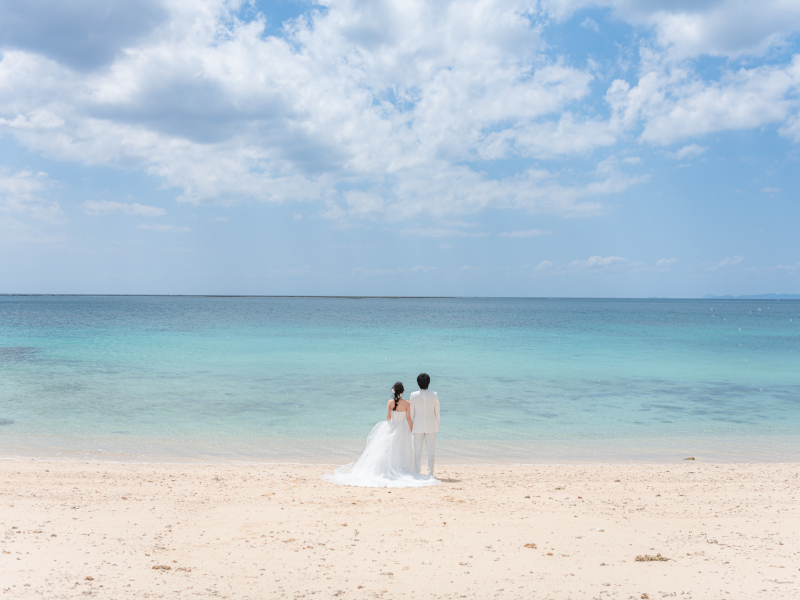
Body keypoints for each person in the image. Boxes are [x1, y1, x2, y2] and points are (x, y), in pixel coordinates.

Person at [323, 382, 439, 488]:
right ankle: (407, 469)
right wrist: (412, 429)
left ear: (393, 391)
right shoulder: (407, 403)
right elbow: (408, 418)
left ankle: (385, 469)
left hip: (391, 426)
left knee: (386, 450)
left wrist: (390, 426)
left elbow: (388, 417)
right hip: (402, 428)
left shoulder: (390, 402)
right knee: (402, 450)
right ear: (403, 391)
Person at [409, 372, 440, 478]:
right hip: (431, 426)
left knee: (417, 451)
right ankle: (431, 473)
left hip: (417, 426)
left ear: (418, 383)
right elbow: (437, 412)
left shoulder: (413, 395)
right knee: (431, 450)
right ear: (429, 382)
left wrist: (411, 425)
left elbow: (411, 413)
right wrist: (438, 424)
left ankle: (417, 472)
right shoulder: (434, 394)